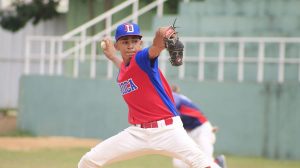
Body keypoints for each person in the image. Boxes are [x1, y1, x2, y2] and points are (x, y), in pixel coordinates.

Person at [78, 22, 221, 168]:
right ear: (117, 46)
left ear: (140, 43)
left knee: (202, 163)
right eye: (125, 42)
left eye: (134, 41)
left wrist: (163, 32)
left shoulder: (142, 59)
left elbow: (156, 46)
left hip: (168, 131)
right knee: (89, 160)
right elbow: (125, 67)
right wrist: (112, 57)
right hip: (138, 133)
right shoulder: (124, 70)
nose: (130, 46)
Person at [171, 85, 227, 168]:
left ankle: (218, 164)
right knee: (179, 163)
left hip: (202, 129)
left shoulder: (174, 96)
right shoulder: (172, 98)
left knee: (205, 162)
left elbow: (173, 110)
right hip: (189, 132)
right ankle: (218, 162)